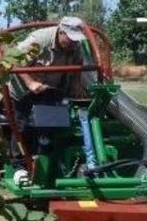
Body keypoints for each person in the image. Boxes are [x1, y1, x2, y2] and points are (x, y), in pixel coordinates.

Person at [7, 16, 88, 184]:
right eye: (71, 39)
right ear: (61, 32)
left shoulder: (74, 47)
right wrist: (30, 83)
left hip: (50, 90)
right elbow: (13, 60)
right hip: (23, 91)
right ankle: (19, 167)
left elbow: (78, 64)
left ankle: (48, 164)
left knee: (52, 126)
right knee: (21, 126)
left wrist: (76, 86)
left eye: (76, 40)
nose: (74, 44)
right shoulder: (39, 40)